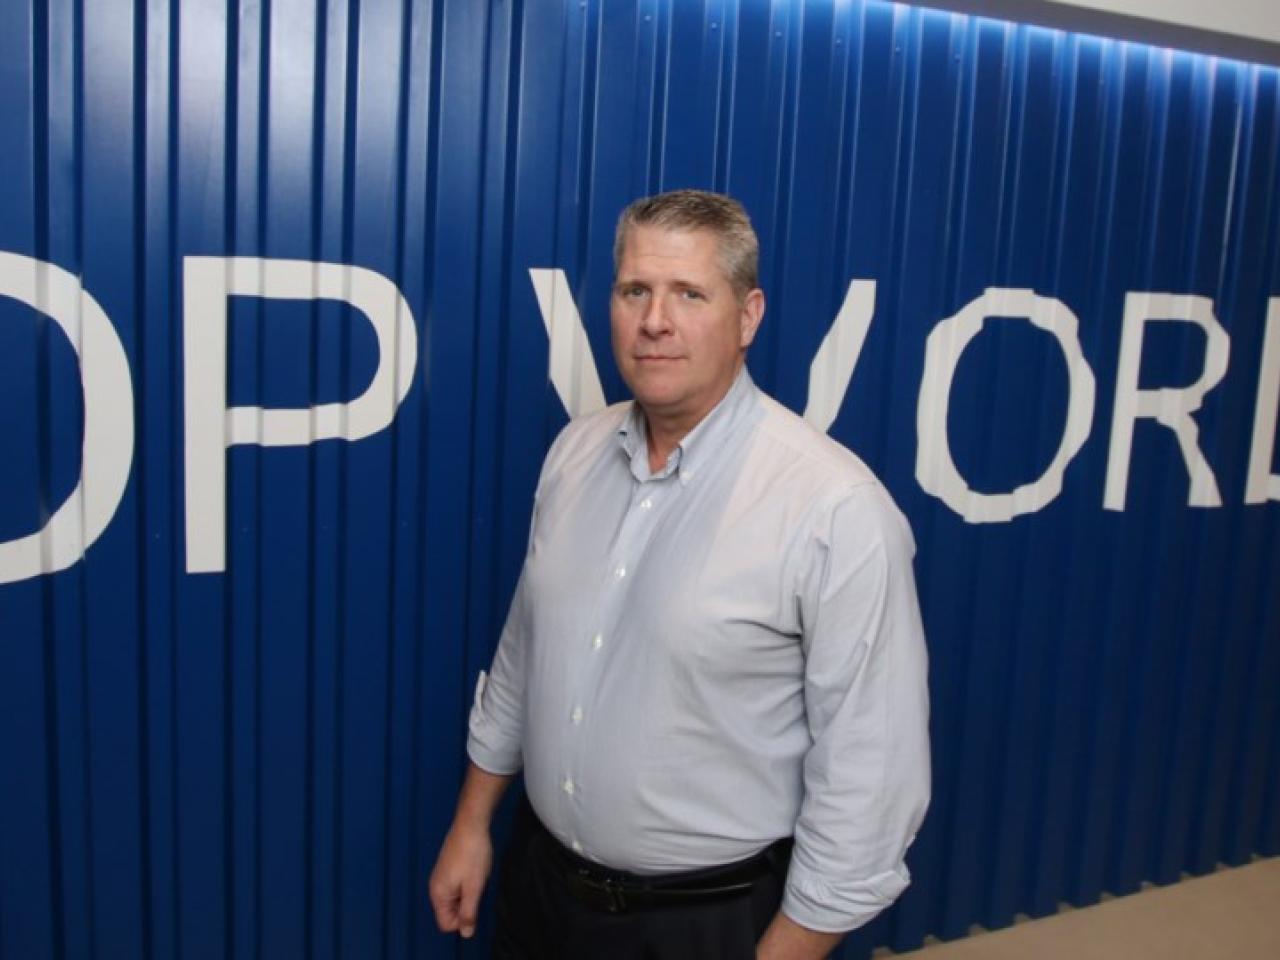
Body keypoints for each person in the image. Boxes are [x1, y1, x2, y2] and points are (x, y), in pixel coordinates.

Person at [429, 189, 930, 959]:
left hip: (707, 924)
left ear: (748, 316)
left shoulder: (835, 510)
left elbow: (870, 778)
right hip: (540, 892)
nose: (654, 320)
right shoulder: (574, 455)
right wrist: (471, 824)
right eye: (635, 291)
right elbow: (524, 656)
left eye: (689, 294)